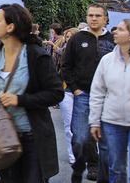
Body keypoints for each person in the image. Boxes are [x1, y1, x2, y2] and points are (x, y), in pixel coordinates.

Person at [0, 3, 63, 182]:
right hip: (3, 136)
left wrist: (20, 100)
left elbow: (55, 92)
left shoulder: (35, 55)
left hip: (33, 137)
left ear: (11, 27)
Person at [63, 4, 115, 183]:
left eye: (97, 16)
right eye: (90, 15)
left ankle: (101, 173)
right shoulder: (77, 39)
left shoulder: (113, 40)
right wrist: (75, 88)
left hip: (108, 97)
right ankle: (79, 168)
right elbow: (66, 65)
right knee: (80, 139)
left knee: (107, 142)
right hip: (83, 94)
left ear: (105, 18)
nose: (93, 18)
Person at [89, 19, 130, 182]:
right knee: (115, 168)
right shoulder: (107, 60)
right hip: (112, 122)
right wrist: (94, 122)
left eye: (121, 29)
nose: (114, 31)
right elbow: (97, 92)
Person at [53, 27, 80, 165]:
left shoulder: (84, 53)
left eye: (72, 36)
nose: (69, 39)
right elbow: (55, 71)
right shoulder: (60, 53)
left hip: (82, 91)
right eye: (68, 36)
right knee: (68, 125)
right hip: (66, 91)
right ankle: (72, 154)